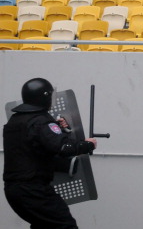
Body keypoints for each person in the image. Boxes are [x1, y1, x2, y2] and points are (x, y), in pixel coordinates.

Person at [4, 78, 97, 229]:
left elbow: (36, 147)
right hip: (33, 191)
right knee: (64, 225)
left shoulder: (15, 121)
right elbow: (64, 148)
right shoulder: (41, 121)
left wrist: (58, 129)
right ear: (44, 97)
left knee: (43, 225)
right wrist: (86, 145)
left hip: (14, 191)